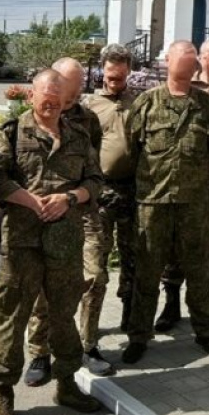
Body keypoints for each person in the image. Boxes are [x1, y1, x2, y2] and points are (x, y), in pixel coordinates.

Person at [0, 69, 102, 415]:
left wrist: (70, 197)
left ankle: (66, 387)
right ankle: (4, 396)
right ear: (31, 95)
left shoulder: (78, 135)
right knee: (11, 317)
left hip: (65, 243)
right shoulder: (9, 133)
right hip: (21, 243)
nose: (51, 102)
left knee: (63, 317)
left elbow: (95, 181)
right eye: (45, 95)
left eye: (58, 96)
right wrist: (28, 199)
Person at [123, 40, 209, 363]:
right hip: (153, 203)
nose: (186, 66)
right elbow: (132, 148)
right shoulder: (146, 103)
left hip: (193, 203)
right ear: (167, 62)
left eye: (191, 61)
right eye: (180, 60)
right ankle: (139, 336)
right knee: (147, 272)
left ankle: (205, 332)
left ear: (195, 67)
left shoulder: (205, 105)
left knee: (198, 272)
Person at [23, 57, 108, 383]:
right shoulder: (26, 122)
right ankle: (40, 353)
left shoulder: (88, 121)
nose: (66, 105)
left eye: (72, 98)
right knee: (43, 287)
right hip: (41, 216)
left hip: (81, 213)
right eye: (62, 97)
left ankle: (88, 345)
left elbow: (94, 172)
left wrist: (76, 197)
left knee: (95, 278)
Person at [153, 39, 209, 332]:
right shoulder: (184, 88)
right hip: (183, 177)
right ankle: (171, 304)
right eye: (207, 55)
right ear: (199, 59)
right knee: (174, 243)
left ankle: (200, 305)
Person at [79, 46, 139, 341]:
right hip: (100, 195)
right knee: (95, 269)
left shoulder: (138, 103)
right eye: (110, 74)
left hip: (132, 192)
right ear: (103, 70)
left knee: (133, 260)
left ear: (128, 70)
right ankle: (88, 334)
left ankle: (130, 321)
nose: (115, 79)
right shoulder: (89, 105)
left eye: (120, 74)